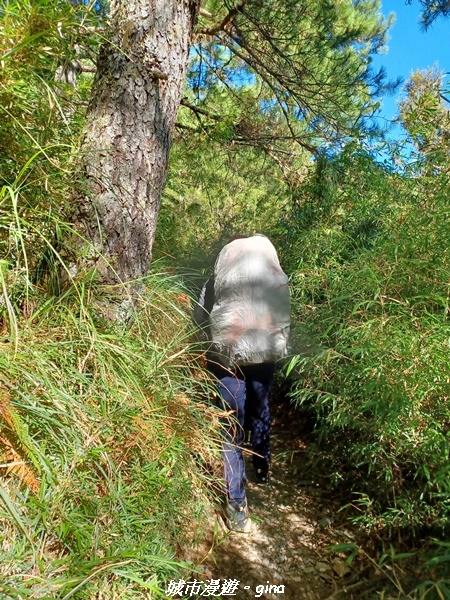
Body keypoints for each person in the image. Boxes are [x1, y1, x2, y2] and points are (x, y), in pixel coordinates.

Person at [194, 234, 290, 532]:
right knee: (259, 410)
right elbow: (285, 315)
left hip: (226, 355)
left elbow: (199, 315)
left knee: (230, 427)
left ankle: (236, 508)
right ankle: (261, 466)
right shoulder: (274, 277)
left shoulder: (218, 279)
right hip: (265, 353)